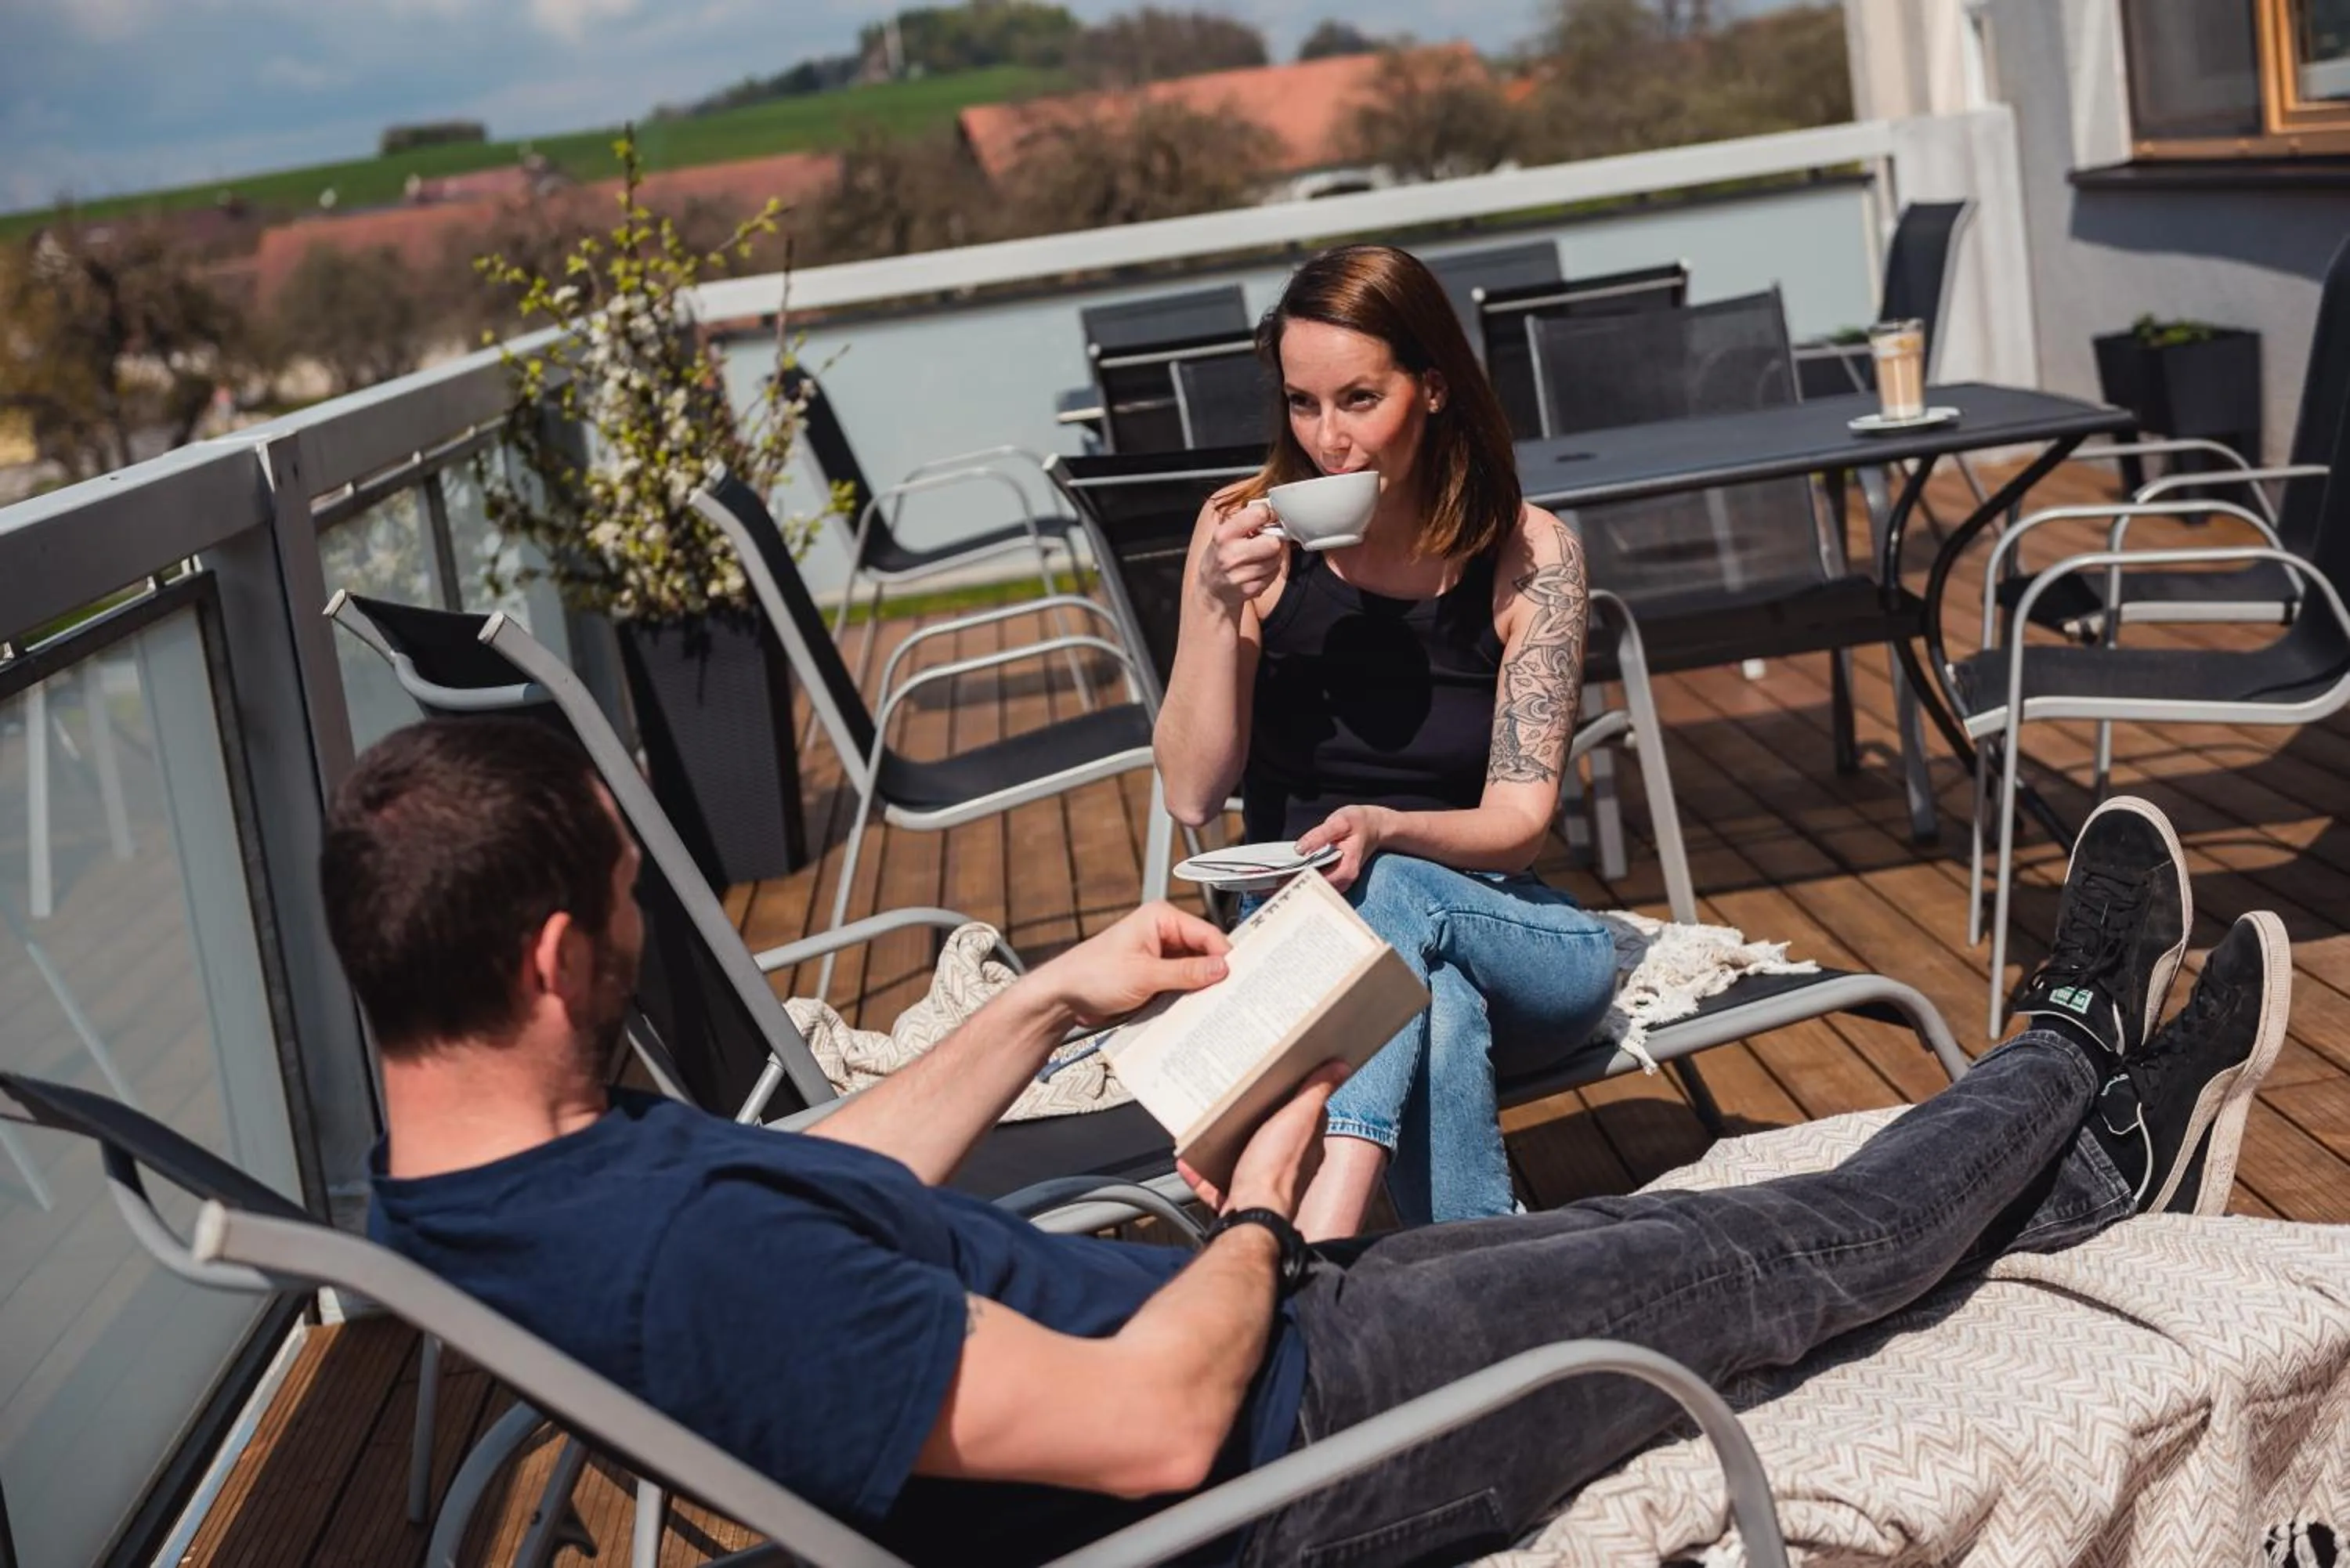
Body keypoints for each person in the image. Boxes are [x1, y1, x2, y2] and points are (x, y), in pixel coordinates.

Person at [334, 717, 2289, 1568]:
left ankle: (2093, 1153)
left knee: (1741, 1231)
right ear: (554, 951)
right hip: (1280, 1450)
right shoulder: (687, 1264)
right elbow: (1143, 1439)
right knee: (1782, 1255)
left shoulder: (475, 1193)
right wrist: (1255, 1222)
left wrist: (1042, 1006)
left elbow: (821, 1191)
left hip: (1272, 1350)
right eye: (627, 906)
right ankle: (2073, 1060)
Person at [1153, 243, 1615, 1237]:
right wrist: (1210, 603)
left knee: (1395, 886)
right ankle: (1482, 1291)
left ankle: (1315, 1220)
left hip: (1506, 925)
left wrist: (1387, 829)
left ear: (1434, 388)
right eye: (1302, 403)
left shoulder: (1529, 553)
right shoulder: (1241, 535)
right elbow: (1193, 796)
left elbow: (1519, 825)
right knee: (1428, 1002)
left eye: (1359, 399)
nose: (1327, 440)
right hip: (1298, 951)